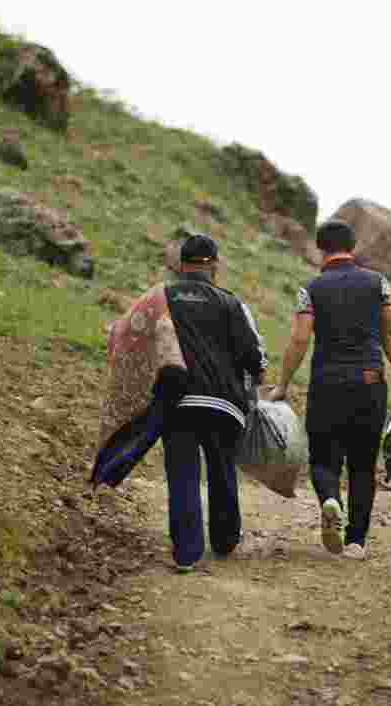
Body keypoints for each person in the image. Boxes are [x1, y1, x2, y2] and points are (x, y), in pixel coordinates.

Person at [271, 219, 391, 560]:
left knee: (323, 460)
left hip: (326, 385)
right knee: (363, 466)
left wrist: (283, 384)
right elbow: (390, 335)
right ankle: (356, 542)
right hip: (369, 383)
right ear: (352, 247)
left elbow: (299, 339)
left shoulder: (311, 289)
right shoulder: (377, 283)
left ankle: (330, 500)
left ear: (320, 249)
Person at [163, 232, 267, 573]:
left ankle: (186, 553)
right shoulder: (229, 302)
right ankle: (223, 540)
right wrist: (256, 378)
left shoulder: (161, 298)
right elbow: (251, 354)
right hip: (224, 403)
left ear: (181, 265)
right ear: (215, 266)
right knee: (222, 470)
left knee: (183, 474)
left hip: (177, 401)